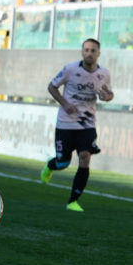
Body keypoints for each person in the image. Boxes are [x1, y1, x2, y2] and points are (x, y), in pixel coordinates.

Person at [40, 38, 113, 212]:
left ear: (99, 53)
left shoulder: (104, 74)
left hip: (87, 124)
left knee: (85, 157)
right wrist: (65, 104)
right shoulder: (70, 69)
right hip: (65, 124)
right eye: (86, 50)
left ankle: (73, 201)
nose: (89, 53)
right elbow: (52, 87)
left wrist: (107, 97)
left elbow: (109, 94)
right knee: (63, 163)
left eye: (93, 50)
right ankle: (51, 166)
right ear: (82, 52)